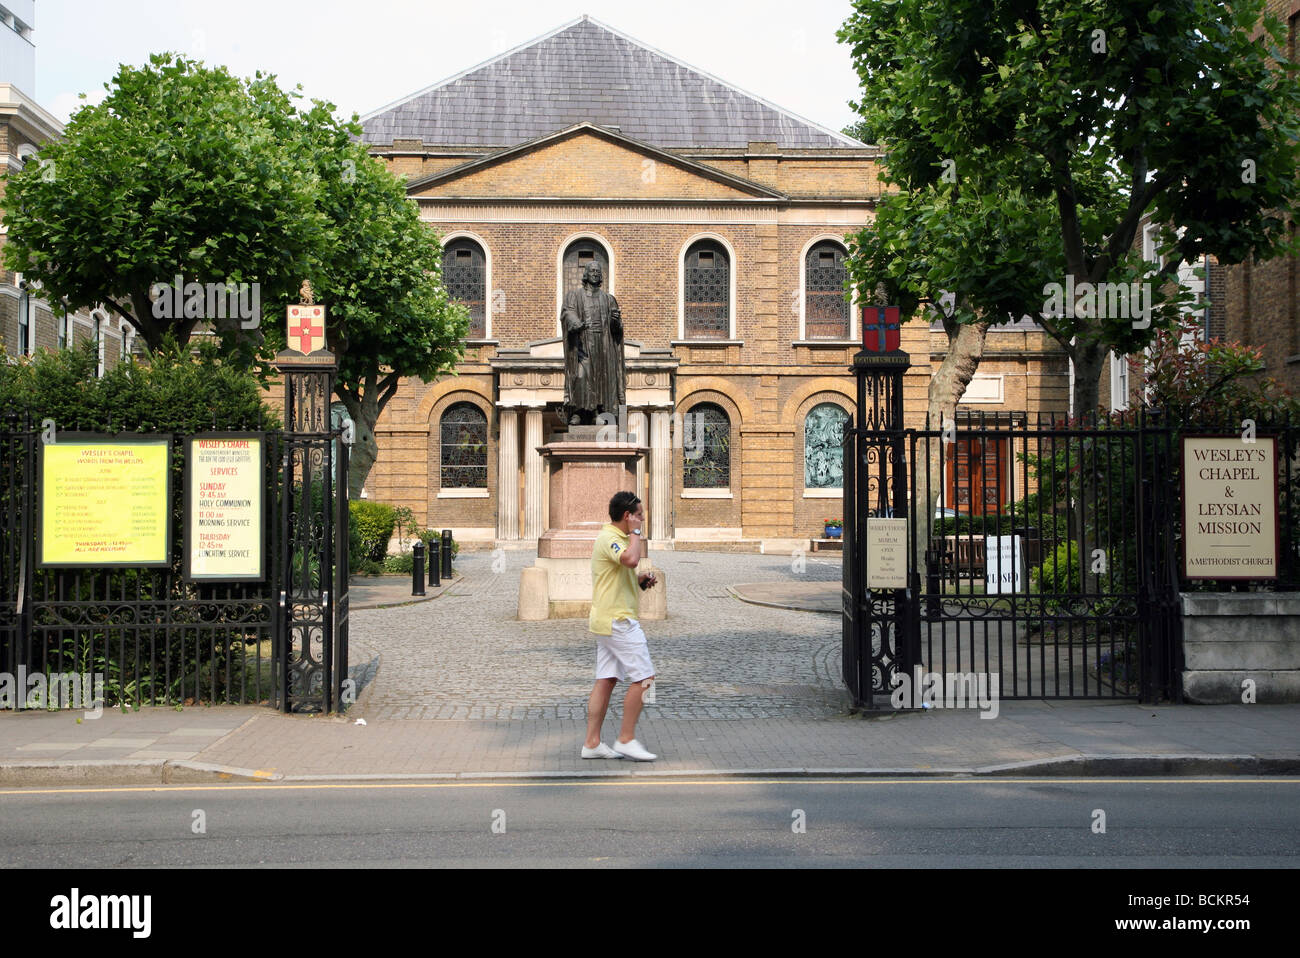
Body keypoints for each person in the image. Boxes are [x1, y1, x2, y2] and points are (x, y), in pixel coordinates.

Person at [582, 490, 659, 761]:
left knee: (607, 679)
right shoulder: (610, 538)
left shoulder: (615, 538)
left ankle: (591, 744)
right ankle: (626, 738)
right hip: (618, 620)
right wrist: (636, 534)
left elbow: (620, 573)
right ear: (627, 516)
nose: (641, 521)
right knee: (645, 678)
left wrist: (638, 582)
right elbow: (630, 559)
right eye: (639, 516)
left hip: (608, 618)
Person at [560, 262, 625, 425]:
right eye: (592, 271)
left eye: (598, 271)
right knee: (581, 375)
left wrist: (616, 322)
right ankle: (578, 411)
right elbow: (568, 312)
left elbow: (617, 330)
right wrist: (577, 324)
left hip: (604, 345)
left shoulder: (608, 299)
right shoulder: (574, 295)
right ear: (586, 274)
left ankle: (597, 412)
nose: (595, 273)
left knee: (601, 379)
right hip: (582, 342)